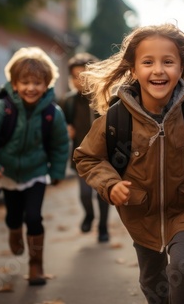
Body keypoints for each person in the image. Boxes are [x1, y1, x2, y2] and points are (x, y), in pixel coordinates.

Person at [73, 23, 184, 304]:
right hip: (141, 212)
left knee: (183, 267)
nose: (158, 70)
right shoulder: (118, 118)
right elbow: (88, 156)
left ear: (182, 67)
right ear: (133, 69)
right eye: (148, 62)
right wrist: (111, 183)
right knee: (153, 283)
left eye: (168, 62)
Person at [0, 47, 69, 286]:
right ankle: (14, 232)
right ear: (14, 84)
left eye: (37, 82)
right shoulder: (1, 109)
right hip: (6, 173)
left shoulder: (52, 113)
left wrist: (56, 171)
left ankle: (36, 266)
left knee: (33, 217)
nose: (31, 88)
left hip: (36, 173)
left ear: (46, 84)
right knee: (14, 217)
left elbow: (60, 144)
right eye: (24, 82)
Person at [61, 52, 111, 243]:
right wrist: (67, 129)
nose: (79, 81)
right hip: (81, 156)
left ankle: (103, 228)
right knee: (84, 194)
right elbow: (62, 123)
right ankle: (89, 215)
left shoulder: (104, 100)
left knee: (102, 194)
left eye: (84, 76)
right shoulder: (68, 102)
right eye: (75, 77)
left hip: (103, 157)